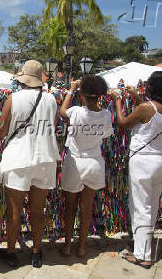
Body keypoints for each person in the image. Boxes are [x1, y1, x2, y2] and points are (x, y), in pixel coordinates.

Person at [110, 71, 162, 269]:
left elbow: (123, 123)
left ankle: (142, 255)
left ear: (152, 87)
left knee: (140, 207)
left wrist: (118, 102)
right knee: (151, 206)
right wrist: (137, 98)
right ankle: (143, 246)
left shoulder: (146, 108)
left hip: (143, 162)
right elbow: (150, 115)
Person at [0, 60, 61, 268]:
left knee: (14, 210)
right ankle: (36, 252)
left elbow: (2, 131)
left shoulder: (13, 98)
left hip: (18, 159)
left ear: (22, 78)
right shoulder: (51, 99)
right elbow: (54, 125)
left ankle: (11, 252)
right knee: (37, 209)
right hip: (45, 158)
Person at [59, 76, 113, 257]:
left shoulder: (76, 111)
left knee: (71, 207)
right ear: (99, 95)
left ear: (81, 94)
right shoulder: (106, 114)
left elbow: (62, 111)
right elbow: (106, 135)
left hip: (75, 162)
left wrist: (70, 89)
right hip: (94, 162)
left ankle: (67, 246)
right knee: (87, 208)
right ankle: (81, 247)